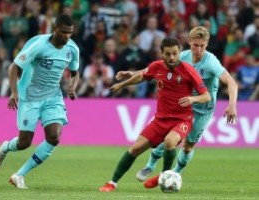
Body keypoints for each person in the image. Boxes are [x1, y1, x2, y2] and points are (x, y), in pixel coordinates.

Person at [117, 26, 238, 188]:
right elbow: (155, 68)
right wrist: (133, 74)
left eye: (202, 45)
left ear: (207, 44)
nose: (199, 49)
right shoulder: (182, 56)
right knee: (167, 138)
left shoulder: (211, 62)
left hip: (203, 109)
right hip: (181, 107)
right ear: (189, 42)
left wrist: (232, 105)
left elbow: (231, 82)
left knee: (188, 147)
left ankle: (172, 174)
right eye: (195, 45)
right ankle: (150, 165)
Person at [99, 37, 211, 192]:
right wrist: (122, 84)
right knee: (135, 148)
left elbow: (206, 96)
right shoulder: (156, 67)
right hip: (160, 119)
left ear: (179, 52)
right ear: (162, 53)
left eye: (175, 54)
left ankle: (164, 177)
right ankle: (112, 183)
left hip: (182, 119)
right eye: (168, 54)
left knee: (170, 142)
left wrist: (193, 98)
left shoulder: (188, 70)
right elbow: (141, 76)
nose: (171, 57)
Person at [0, 14, 80, 189]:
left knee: (54, 137)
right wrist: (14, 92)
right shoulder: (39, 46)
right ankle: (6, 147)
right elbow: (14, 67)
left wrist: (72, 86)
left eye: (70, 33)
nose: (67, 36)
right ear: (54, 29)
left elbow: (75, 72)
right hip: (29, 97)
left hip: (53, 97)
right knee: (24, 143)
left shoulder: (72, 49)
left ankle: (19, 175)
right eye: (63, 32)